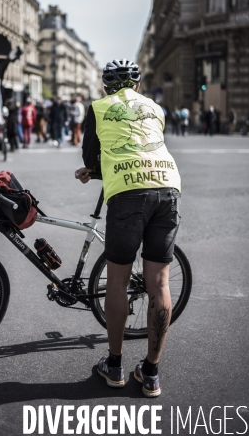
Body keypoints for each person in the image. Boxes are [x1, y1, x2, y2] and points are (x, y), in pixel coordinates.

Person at [75, 59, 181, 397]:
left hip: (128, 195)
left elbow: (92, 157)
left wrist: (92, 170)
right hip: (167, 189)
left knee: (117, 280)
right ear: (136, 86)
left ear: (106, 86)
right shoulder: (155, 106)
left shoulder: (98, 107)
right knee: (160, 282)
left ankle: (116, 365)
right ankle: (151, 373)